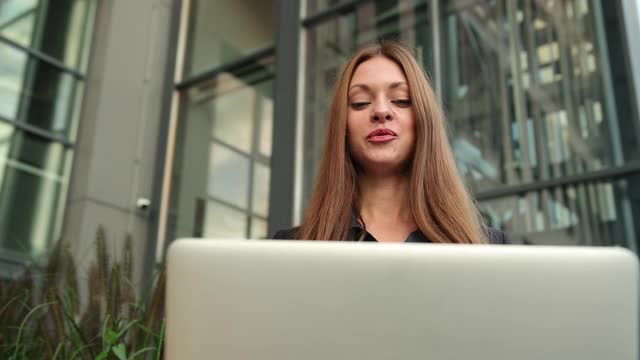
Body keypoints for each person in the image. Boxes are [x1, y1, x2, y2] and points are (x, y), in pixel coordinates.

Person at [274, 40, 510, 244]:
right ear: (342, 127)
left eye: (401, 100)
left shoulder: (490, 247)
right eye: (360, 102)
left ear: (423, 120)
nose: (381, 111)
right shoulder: (289, 248)